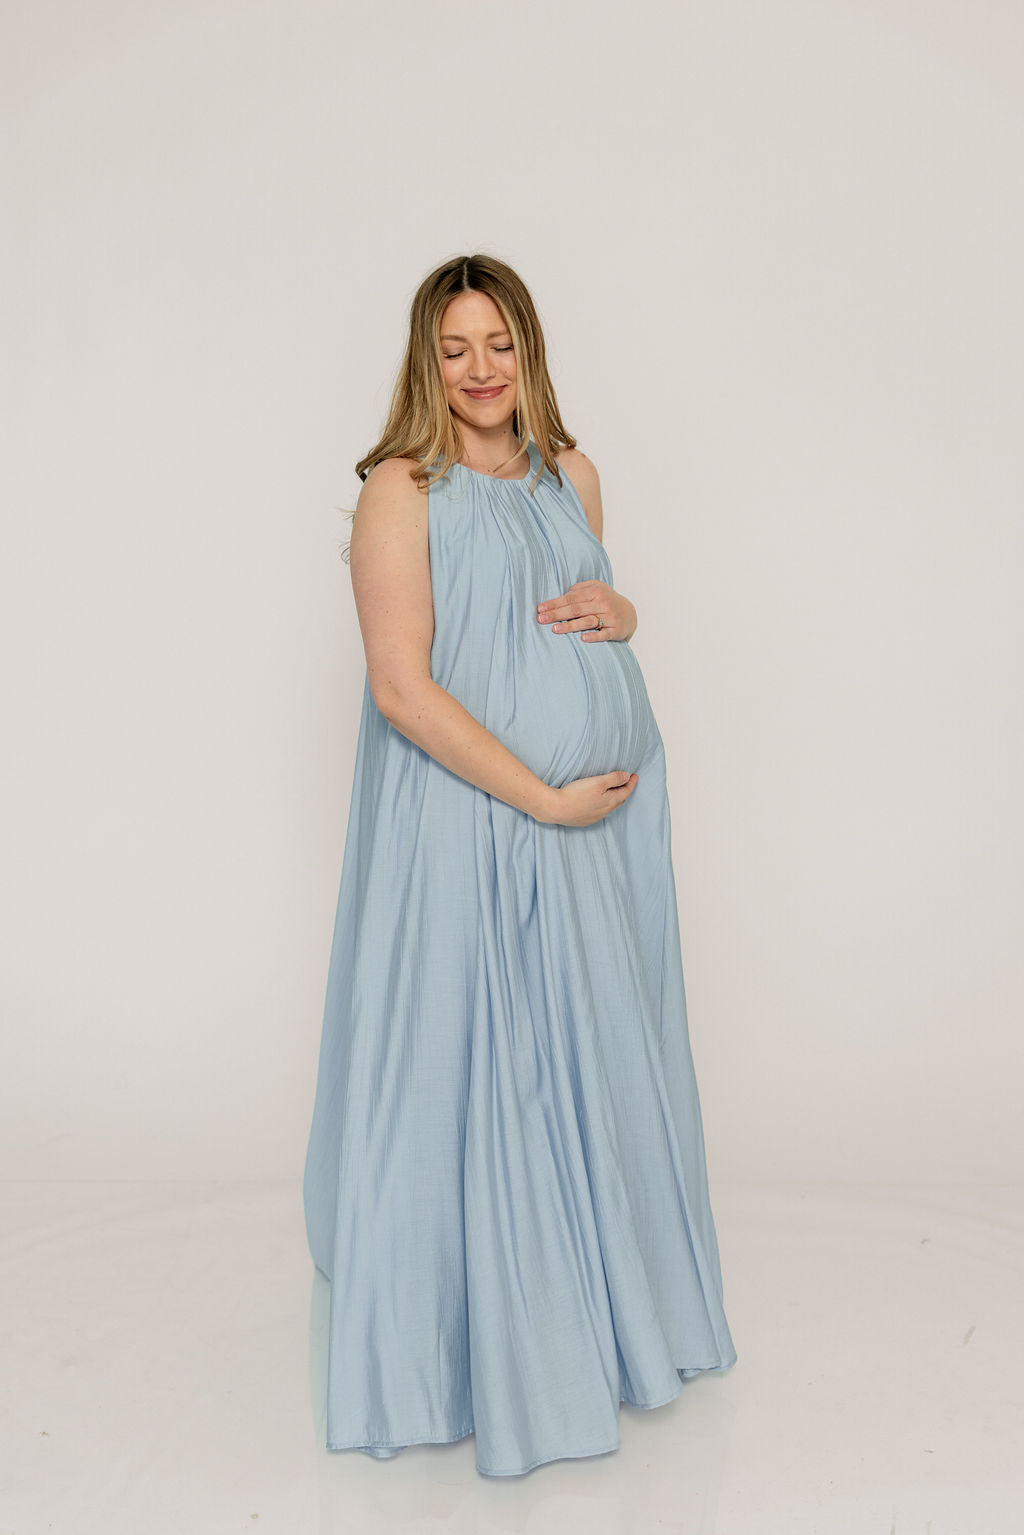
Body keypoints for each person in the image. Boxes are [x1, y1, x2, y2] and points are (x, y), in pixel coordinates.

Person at [302, 252, 737, 1479]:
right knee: (478, 1066)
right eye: (455, 348)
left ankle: (591, 1321)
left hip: (592, 838)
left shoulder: (571, 474)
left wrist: (625, 616)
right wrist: (540, 794)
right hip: (471, 819)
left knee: (579, 1062)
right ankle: (473, 1352)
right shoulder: (402, 490)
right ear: (425, 362)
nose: (480, 368)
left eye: (498, 343)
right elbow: (402, 687)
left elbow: (581, 607)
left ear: (528, 350)